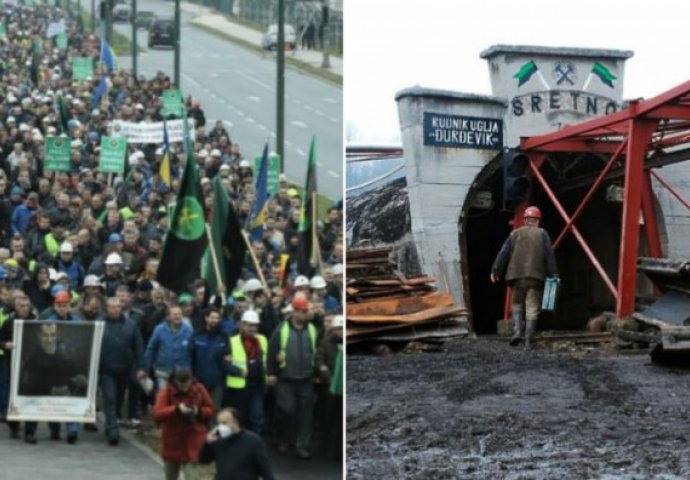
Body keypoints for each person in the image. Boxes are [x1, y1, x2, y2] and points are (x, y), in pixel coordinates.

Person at [491, 206, 558, 349]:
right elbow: (549, 256)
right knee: (532, 308)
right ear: (538, 220)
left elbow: (503, 253)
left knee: (517, 304)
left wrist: (496, 270)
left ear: (525, 219)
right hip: (535, 277)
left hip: (516, 277)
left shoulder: (514, 234)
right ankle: (528, 342)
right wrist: (553, 274)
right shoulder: (542, 234)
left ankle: (516, 332)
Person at [267, 292, 318, 459]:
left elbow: (315, 353)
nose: (305, 314)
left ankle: (302, 445)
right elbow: (272, 352)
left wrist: (316, 373)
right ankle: (284, 439)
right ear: (294, 311)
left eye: (306, 311)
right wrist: (272, 373)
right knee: (287, 410)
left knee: (306, 414)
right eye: (302, 311)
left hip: (306, 379)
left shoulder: (311, 330)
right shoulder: (281, 330)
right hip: (286, 379)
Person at [19, 322, 88, 444]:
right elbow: (28, 383)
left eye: (53, 335)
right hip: (38, 394)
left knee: (59, 407)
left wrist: (77, 381)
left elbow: (75, 373)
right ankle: (30, 432)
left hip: (60, 393)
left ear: (57, 335)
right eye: (46, 335)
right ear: (39, 336)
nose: (50, 339)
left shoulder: (66, 353)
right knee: (33, 404)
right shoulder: (33, 356)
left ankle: (56, 431)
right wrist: (50, 389)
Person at [99, 297, 147, 445]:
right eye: (112, 307)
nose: (115, 309)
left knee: (119, 398)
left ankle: (111, 421)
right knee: (110, 397)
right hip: (106, 369)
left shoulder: (131, 325)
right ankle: (113, 430)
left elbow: (138, 347)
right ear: (107, 308)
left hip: (125, 369)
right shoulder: (100, 324)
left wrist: (141, 367)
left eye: (118, 307)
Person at [153, 366, 215, 480]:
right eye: (182, 386)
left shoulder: (199, 389)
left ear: (191, 380)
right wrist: (176, 409)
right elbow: (158, 413)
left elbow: (211, 409)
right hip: (172, 441)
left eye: (187, 385)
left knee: (192, 476)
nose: (185, 388)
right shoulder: (166, 392)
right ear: (176, 382)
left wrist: (198, 411)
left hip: (193, 439)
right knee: (170, 475)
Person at [198, 408, 275, 480]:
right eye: (219, 423)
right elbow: (203, 460)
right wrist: (207, 443)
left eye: (224, 423)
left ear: (235, 422)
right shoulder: (218, 440)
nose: (221, 427)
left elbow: (265, 470)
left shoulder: (253, 441)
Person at [224, 310, 268, 434]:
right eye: (249, 325)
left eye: (255, 325)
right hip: (239, 388)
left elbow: (266, 360)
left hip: (257, 386)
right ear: (242, 325)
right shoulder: (232, 341)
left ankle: (254, 442)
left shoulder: (262, 340)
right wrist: (238, 371)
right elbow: (224, 362)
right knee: (240, 417)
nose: (252, 328)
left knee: (257, 416)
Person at [190, 307, 229, 414]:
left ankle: (214, 430)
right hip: (199, 380)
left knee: (215, 409)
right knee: (199, 408)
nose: (215, 320)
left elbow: (227, 358)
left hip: (218, 381)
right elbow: (190, 356)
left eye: (217, 318)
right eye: (212, 317)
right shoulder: (197, 335)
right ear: (206, 318)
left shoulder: (224, 337)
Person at [145, 305, 194, 390]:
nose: (178, 316)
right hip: (163, 371)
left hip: (182, 374)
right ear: (168, 317)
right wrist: (145, 368)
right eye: (175, 314)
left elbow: (192, 351)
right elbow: (151, 349)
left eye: (180, 314)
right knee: (163, 397)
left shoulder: (189, 331)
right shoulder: (159, 329)